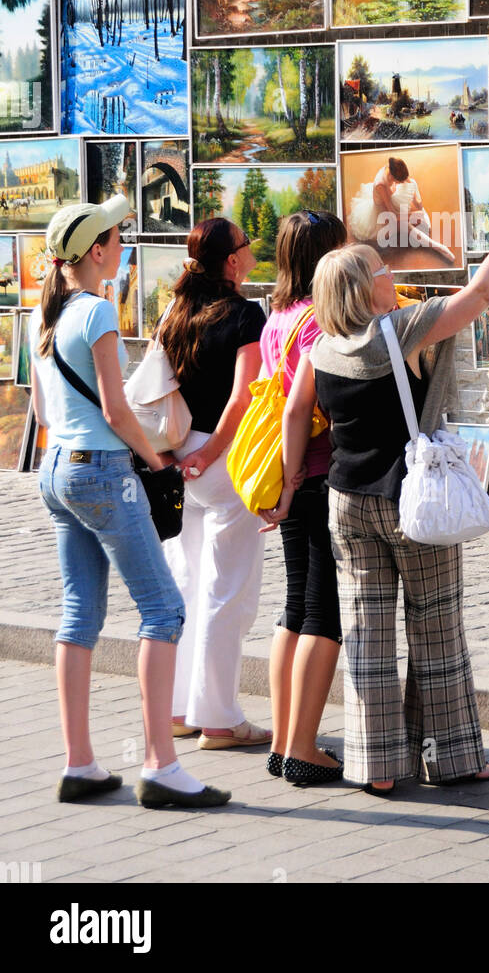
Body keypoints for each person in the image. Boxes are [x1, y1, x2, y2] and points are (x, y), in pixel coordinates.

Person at [284, 190, 489, 794]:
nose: (392, 276)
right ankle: (451, 759)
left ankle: (377, 768)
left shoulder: (320, 345)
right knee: (435, 626)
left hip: (345, 502)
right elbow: (481, 295)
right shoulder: (396, 332)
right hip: (410, 499)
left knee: (366, 634)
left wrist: (293, 475)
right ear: (364, 288)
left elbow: (297, 410)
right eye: (383, 271)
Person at [30, 197, 228, 809]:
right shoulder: (96, 311)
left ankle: (80, 764)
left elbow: (44, 412)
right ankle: (161, 767)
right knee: (164, 610)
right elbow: (117, 411)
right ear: (96, 251)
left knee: (78, 615)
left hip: (58, 471)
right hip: (103, 471)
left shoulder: (49, 317)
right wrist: (155, 457)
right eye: (117, 237)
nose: (122, 244)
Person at [158, 218, 270, 749]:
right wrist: (211, 451)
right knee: (229, 588)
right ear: (231, 261)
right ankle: (221, 718)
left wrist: (180, 454)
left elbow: (155, 387)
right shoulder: (247, 315)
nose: (252, 252)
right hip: (224, 461)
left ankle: (181, 710)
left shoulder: (174, 312)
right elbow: (243, 395)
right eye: (246, 246)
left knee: (186, 581)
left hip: (181, 456)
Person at [257, 210, 346, 786]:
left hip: (292, 482)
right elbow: (297, 410)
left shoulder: (277, 318)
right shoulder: (318, 321)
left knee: (293, 607)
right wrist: (292, 483)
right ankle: (303, 749)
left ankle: (283, 738)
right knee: (324, 615)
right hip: (313, 476)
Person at [347, 155, 456, 264]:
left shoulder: (390, 167)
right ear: (392, 177)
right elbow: (392, 214)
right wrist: (413, 214)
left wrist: (418, 204)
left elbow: (407, 180)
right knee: (405, 225)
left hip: (390, 200)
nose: (399, 183)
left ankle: (420, 215)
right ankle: (439, 248)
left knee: (411, 183)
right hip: (383, 214)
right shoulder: (380, 185)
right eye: (397, 181)